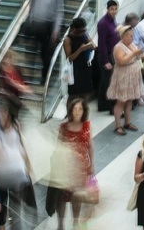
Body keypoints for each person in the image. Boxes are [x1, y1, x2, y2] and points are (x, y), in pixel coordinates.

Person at [0, 98, 34, 230]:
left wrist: (27, 164)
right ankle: (2, 225)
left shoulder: (16, 125)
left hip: (16, 171)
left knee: (15, 203)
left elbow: (21, 145)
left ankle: (15, 226)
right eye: (0, 112)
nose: (2, 115)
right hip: (0, 174)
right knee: (1, 202)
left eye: (4, 112)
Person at [54, 98, 95, 230]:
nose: (77, 112)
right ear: (70, 111)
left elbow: (90, 146)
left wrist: (92, 164)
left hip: (81, 168)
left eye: (80, 109)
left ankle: (75, 222)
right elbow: (58, 146)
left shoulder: (87, 126)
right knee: (61, 197)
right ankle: (60, 225)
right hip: (65, 167)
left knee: (76, 196)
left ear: (84, 111)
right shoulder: (64, 127)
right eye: (75, 109)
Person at [107, 25, 144, 136]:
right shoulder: (118, 47)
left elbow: (137, 56)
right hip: (123, 76)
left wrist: (143, 54)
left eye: (132, 36)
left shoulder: (132, 45)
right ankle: (118, 125)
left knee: (129, 100)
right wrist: (134, 53)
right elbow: (121, 61)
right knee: (121, 101)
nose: (131, 38)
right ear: (123, 36)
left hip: (133, 75)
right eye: (129, 36)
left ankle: (128, 122)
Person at [63, 17, 96, 99]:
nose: (83, 32)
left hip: (84, 66)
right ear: (74, 29)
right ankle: (70, 111)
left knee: (84, 93)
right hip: (74, 69)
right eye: (81, 31)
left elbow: (94, 46)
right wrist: (80, 49)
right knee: (73, 95)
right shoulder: (68, 40)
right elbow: (69, 58)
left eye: (84, 30)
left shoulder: (84, 35)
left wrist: (91, 45)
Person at [96, 0, 119, 113]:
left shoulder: (112, 21)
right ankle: (112, 107)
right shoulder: (103, 23)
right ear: (107, 9)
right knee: (110, 82)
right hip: (106, 56)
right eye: (112, 9)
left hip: (112, 54)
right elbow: (102, 44)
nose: (114, 11)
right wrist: (105, 61)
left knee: (104, 82)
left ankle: (102, 104)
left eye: (115, 9)